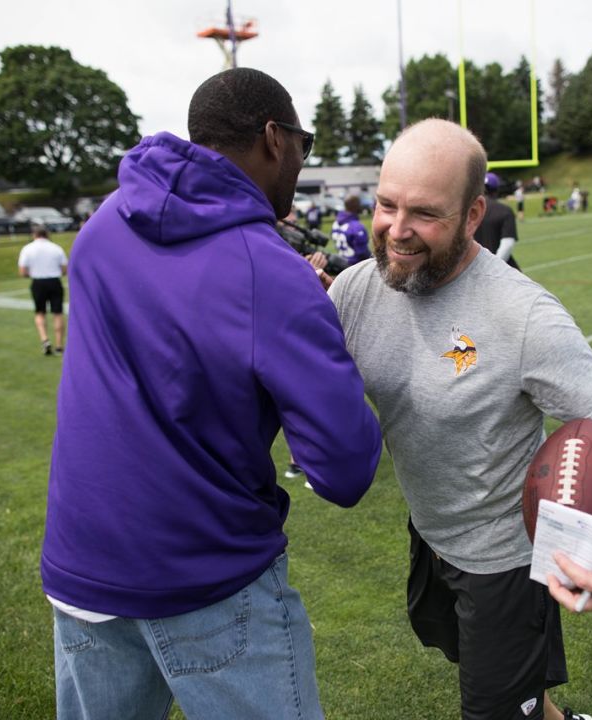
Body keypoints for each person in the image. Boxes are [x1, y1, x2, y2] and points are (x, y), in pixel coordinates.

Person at [39, 67, 382, 720]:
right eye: (305, 145)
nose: (301, 163)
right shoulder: (271, 272)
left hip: (82, 565)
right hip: (204, 572)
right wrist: (317, 326)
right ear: (274, 138)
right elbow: (344, 469)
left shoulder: (105, 225)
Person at [324, 119, 592, 720]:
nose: (397, 231)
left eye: (425, 214)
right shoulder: (357, 288)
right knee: (517, 699)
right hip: (431, 535)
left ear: (473, 214)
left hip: (505, 563)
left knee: (493, 710)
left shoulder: (524, 316)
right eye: (386, 205)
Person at [16, 227, 68, 356]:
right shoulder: (56, 248)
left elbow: (22, 271)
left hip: (38, 282)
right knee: (58, 313)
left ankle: (45, 340)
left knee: (40, 313)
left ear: (34, 235)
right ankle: (59, 345)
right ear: (47, 235)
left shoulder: (27, 249)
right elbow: (64, 269)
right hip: (54, 281)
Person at [473, 172, 521, 270]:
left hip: (474, 268)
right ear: (497, 189)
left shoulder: (468, 211)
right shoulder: (504, 210)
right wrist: (494, 267)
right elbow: (507, 243)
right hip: (500, 270)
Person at [331, 194, 371, 266]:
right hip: (355, 265)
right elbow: (362, 252)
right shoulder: (356, 227)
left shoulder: (335, 223)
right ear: (355, 206)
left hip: (340, 262)